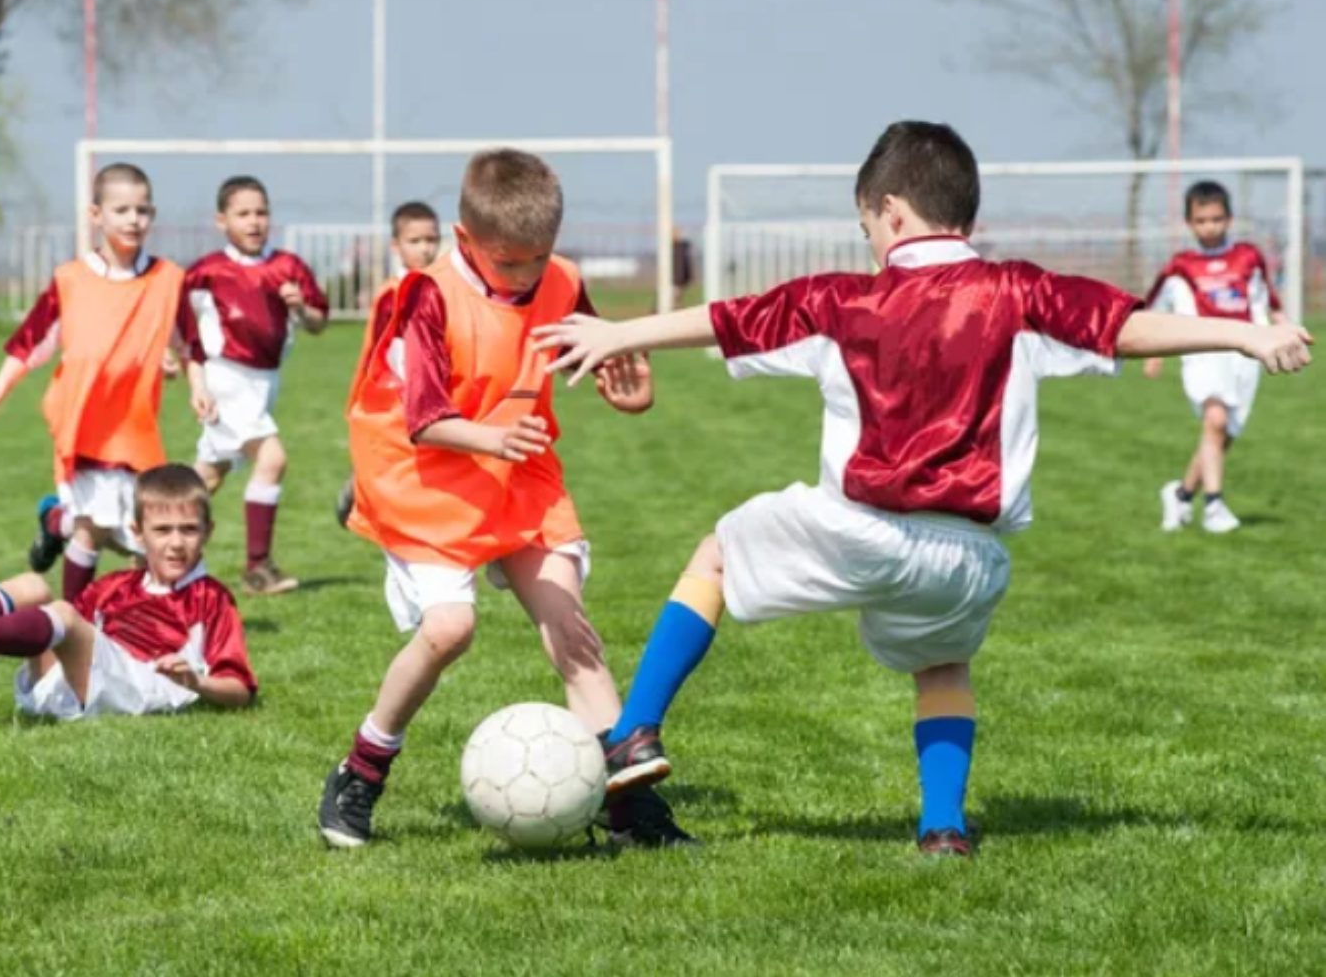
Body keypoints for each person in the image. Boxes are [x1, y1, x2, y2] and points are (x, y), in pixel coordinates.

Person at [533, 121, 1313, 857]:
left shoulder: (842, 299)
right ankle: (942, 828)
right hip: (971, 555)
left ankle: (635, 731)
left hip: (861, 527)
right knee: (942, 669)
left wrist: (622, 332)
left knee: (715, 556)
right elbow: (1126, 327)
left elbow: (730, 319)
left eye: (866, 225)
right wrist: (1247, 332)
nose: (867, 240)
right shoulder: (1021, 293)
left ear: (890, 211)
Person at [317, 149, 691, 850]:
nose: (526, 276)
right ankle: (361, 771)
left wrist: (631, 392)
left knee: (570, 628)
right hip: (425, 482)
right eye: (508, 263)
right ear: (466, 242)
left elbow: (601, 354)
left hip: (518, 472)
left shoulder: (562, 280)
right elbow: (426, 417)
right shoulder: (428, 297)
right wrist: (489, 438)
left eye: (538, 259)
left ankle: (630, 812)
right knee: (450, 630)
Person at [0, 163, 214, 600]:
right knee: (91, 530)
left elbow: (190, 344)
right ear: (96, 215)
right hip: (81, 424)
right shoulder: (71, 280)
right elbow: (30, 342)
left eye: (142, 210)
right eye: (121, 209)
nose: (132, 220)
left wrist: (199, 387)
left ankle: (60, 529)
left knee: (143, 540)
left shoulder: (168, 280)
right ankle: (75, 622)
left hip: (136, 429)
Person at [0, 464, 257, 718]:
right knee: (35, 586)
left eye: (188, 530)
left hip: (144, 686)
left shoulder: (212, 598)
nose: (176, 543)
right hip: (83, 684)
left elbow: (241, 689)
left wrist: (196, 682)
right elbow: (56, 630)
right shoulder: (116, 586)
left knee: (64, 613)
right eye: (163, 530)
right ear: (138, 533)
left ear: (208, 532)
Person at [184, 175, 330, 594]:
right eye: (243, 213)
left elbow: (320, 324)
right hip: (226, 378)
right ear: (221, 220)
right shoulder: (208, 271)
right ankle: (257, 566)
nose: (254, 221)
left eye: (261, 212)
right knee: (272, 459)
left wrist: (300, 309)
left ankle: (146, 535)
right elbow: (178, 323)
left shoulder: (287, 267)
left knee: (208, 477)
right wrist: (188, 372)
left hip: (265, 383)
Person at [1144, 180, 1287, 534]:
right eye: (1202, 220)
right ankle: (1214, 506)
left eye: (1217, 218)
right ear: (1190, 223)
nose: (1210, 226)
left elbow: (1268, 299)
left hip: (1245, 356)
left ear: (1229, 218)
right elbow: (1153, 307)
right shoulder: (1180, 265)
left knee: (1222, 435)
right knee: (1216, 421)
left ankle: (1180, 495)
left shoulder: (1249, 257)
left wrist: (1283, 327)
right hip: (1202, 353)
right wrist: (1154, 352)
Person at [334, 201, 442, 528]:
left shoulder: (443, 289)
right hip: (395, 401)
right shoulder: (392, 295)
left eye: (431, 240)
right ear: (396, 246)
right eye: (415, 241)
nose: (425, 249)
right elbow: (378, 355)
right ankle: (360, 487)